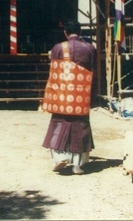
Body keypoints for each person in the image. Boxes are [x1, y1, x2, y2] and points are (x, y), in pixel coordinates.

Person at [41, 20, 97, 175]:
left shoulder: (58, 48)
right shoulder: (90, 48)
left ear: (65, 33)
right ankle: (78, 165)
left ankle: (59, 157)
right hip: (81, 93)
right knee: (80, 125)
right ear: (79, 32)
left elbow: (54, 71)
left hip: (62, 94)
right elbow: (93, 71)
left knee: (59, 121)